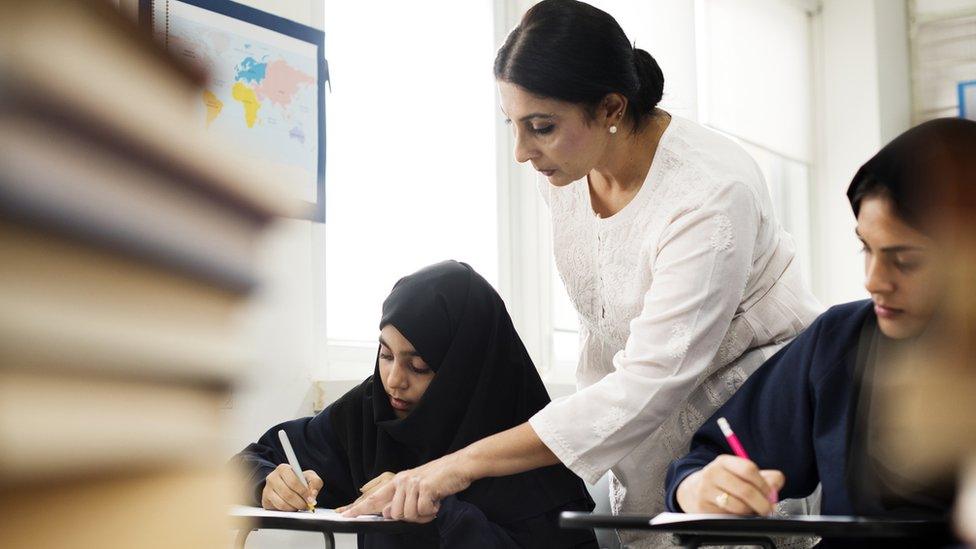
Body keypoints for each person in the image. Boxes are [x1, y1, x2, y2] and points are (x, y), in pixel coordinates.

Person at [342, 2, 822, 547]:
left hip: (740, 426)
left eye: (541, 127)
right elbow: (609, 338)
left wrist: (455, 467)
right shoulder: (567, 168)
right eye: (512, 124)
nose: (521, 152)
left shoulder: (708, 194)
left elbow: (650, 380)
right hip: (636, 433)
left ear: (612, 106)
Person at [665, 118, 976, 548]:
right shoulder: (842, 339)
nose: (873, 280)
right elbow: (711, 456)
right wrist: (699, 488)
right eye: (866, 247)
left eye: (906, 260)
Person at [232, 261, 597, 548]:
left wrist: (438, 511)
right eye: (385, 355)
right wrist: (270, 483)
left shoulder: (527, 443)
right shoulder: (373, 411)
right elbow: (247, 463)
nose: (394, 380)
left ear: (464, 369)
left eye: (419, 366)